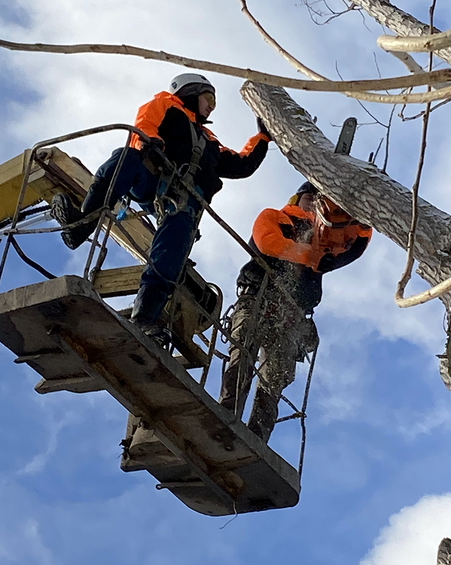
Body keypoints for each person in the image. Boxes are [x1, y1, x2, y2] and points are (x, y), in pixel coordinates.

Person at [50, 73, 271, 343]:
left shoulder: (210, 142)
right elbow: (145, 125)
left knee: (172, 249)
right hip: (153, 177)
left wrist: (263, 138)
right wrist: (149, 144)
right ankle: (80, 224)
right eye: (208, 97)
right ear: (190, 91)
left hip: (184, 201)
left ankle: (144, 318)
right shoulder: (167, 105)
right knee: (124, 159)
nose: (212, 105)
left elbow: (241, 164)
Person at [219, 181, 372, 442]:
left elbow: (357, 242)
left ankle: (256, 438)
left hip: (293, 316)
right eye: (310, 197)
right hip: (258, 298)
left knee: (275, 379)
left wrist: (361, 214)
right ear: (298, 198)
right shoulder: (276, 217)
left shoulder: (326, 238)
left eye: (319, 199)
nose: (314, 203)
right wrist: (310, 257)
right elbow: (269, 243)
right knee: (242, 355)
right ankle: (224, 418)